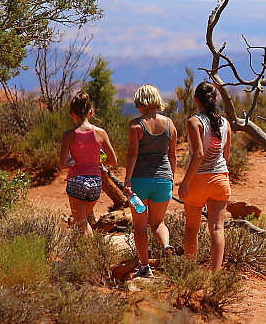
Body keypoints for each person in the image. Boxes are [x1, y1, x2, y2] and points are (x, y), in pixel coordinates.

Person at [124, 84, 178, 278]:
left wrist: (127, 179)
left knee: (140, 226)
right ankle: (166, 245)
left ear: (140, 102)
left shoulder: (135, 125)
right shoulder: (171, 125)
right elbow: (172, 155)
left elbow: (132, 154)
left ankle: (145, 268)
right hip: (163, 181)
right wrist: (172, 178)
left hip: (139, 181)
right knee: (158, 223)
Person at [178, 81, 231, 271]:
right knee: (217, 228)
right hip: (221, 180)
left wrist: (185, 183)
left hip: (198, 181)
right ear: (215, 99)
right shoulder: (225, 123)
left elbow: (199, 154)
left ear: (195, 99)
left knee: (192, 228)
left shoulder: (194, 122)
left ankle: (190, 273)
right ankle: (215, 275)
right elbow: (226, 155)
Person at [59, 92, 118, 236]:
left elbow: (62, 165)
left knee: (81, 224)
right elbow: (113, 161)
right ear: (91, 112)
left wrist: (73, 160)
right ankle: (83, 254)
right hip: (95, 183)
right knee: (82, 221)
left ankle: (92, 255)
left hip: (76, 181)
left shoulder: (68, 136)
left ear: (71, 113)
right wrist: (97, 159)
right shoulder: (100, 133)